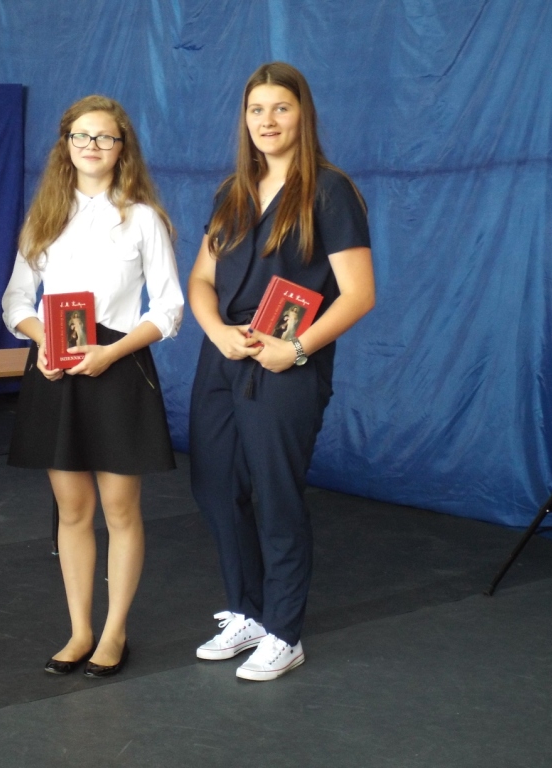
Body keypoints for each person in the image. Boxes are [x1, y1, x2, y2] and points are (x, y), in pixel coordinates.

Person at [187, 62, 375, 681]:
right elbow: (201, 279)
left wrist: (295, 350)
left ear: (303, 115)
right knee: (217, 486)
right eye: (256, 110)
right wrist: (218, 332)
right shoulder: (233, 192)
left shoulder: (330, 191)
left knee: (274, 493)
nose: (267, 121)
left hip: (287, 361)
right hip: (225, 354)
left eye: (280, 108)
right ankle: (248, 611)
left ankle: (284, 632)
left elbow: (359, 294)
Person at [2, 95, 183, 677]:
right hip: (55, 371)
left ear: (122, 148)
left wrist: (112, 352)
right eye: (81, 136)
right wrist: (42, 341)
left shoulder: (142, 218)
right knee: (73, 509)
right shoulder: (44, 216)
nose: (92, 146)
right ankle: (80, 630)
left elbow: (170, 308)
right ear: (66, 145)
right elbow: (15, 301)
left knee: (120, 509)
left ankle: (113, 632)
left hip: (117, 367)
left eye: (105, 137)